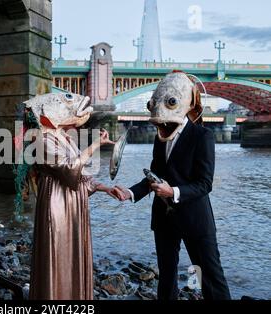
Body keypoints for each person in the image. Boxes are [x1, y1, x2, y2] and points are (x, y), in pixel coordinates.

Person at [116, 71, 231, 300]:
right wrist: (130, 192)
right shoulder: (160, 137)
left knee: (210, 276)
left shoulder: (203, 136)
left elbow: (205, 184)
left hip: (195, 219)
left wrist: (173, 192)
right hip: (164, 220)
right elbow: (154, 175)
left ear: (189, 104)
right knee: (167, 276)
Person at [29, 127, 123, 300]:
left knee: (73, 257)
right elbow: (71, 168)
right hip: (57, 204)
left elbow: (81, 176)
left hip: (74, 204)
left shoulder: (66, 137)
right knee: (58, 257)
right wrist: (95, 145)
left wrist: (105, 188)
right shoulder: (42, 139)